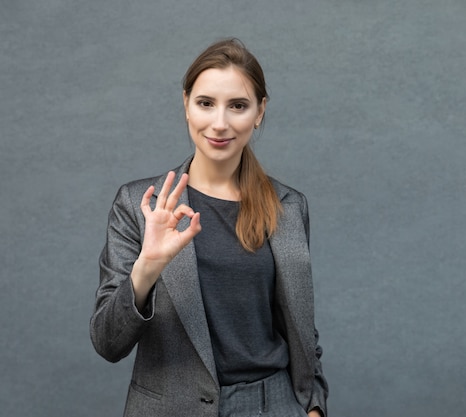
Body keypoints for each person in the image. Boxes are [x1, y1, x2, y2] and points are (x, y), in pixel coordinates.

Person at [90, 38, 328, 417]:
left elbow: (300, 325)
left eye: (238, 106)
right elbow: (107, 342)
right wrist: (147, 267)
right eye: (205, 103)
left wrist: (313, 407)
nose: (220, 123)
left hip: (274, 404)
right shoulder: (141, 206)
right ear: (186, 105)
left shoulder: (288, 207)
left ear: (260, 112)